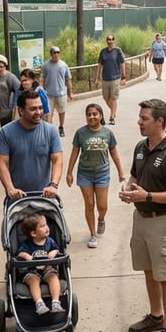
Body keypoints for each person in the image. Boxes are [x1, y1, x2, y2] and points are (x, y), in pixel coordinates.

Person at [118, 99, 166, 332]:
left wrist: (147, 197)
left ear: (159, 121)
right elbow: (135, 176)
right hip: (141, 219)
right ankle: (156, 315)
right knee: (149, 270)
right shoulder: (141, 147)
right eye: (140, 117)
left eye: (144, 118)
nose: (139, 122)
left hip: (163, 223)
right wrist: (129, 189)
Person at [66, 103, 126, 249]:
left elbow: (114, 153)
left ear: (101, 116)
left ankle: (101, 219)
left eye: (95, 114)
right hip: (84, 173)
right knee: (89, 204)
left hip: (102, 173)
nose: (92, 117)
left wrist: (121, 173)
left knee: (102, 206)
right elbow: (75, 152)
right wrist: (69, 172)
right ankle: (93, 234)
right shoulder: (81, 133)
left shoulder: (107, 133)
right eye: (89, 114)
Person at [0, 90, 63, 200]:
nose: (38, 112)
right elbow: (2, 163)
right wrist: (10, 188)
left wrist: (53, 185)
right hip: (17, 198)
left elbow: (57, 160)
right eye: (33, 109)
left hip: (44, 196)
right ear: (21, 111)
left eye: (40, 108)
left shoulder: (51, 131)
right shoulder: (5, 132)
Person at [16, 214, 65, 315]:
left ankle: (55, 302)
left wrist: (54, 252)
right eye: (42, 226)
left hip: (47, 269)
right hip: (31, 271)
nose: (47, 227)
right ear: (33, 233)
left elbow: (56, 249)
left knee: (53, 276)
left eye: (46, 224)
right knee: (34, 280)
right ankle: (39, 303)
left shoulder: (50, 242)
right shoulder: (27, 244)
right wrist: (26, 256)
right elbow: (20, 253)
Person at [40, 45, 73, 137]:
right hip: (49, 94)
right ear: (51, 54)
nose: (56, 54)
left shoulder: (63, 65)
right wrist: (41, 89)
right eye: (54, 52)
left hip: (61, 93)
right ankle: (50, 131)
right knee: (48, 113)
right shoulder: (45, 65)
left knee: (61, 111)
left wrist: (71, 91)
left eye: (58, 52)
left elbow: (68, 78)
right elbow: (42, 78)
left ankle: (61, 127)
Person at [95, 35, 126, 125]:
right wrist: (97, 78)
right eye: (108, 39)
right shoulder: (103, 52)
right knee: (106, 98)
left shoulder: (117, 51)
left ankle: (112, 117)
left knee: (113, 98)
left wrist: (124, 77)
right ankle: (114, 111)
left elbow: (122, 63)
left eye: (112, 39)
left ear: (113, 41)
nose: (110, 41)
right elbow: (100, 65)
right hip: (105, 78)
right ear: (106, 41)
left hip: (115, 78)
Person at [0, 54, 21, 129]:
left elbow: (19, 90)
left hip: (7, 112)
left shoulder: (11, 77)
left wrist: (14, 105)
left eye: (1, 67)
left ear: (5, 66)